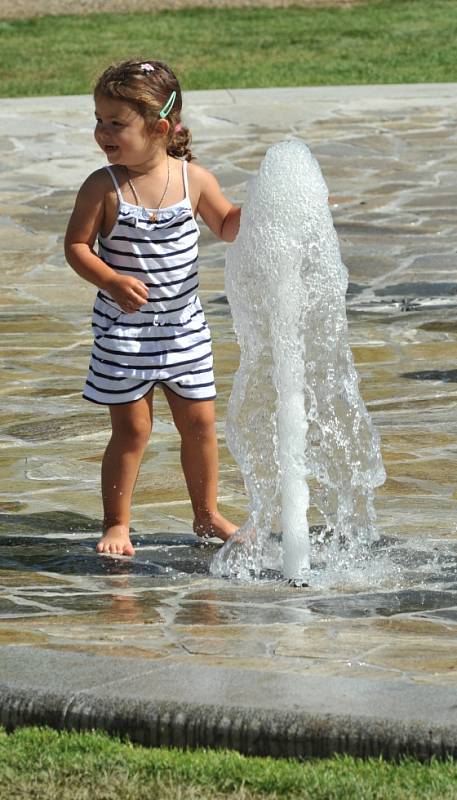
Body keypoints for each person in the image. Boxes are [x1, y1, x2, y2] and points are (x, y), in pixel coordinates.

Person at [65, 58, 240, 557]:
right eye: (99, 120)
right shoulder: (104, 186)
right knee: (132, 428)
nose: (103, 132)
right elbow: (77, 247)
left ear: (160, 127)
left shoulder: (194, 180)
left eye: (116, 123)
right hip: (125, 332)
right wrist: (111, 279)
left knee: (200, 424)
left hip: (184, 329)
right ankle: (117, 523)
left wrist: (270, 206)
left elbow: (226, 224)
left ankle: (207, 515)